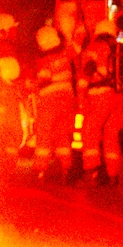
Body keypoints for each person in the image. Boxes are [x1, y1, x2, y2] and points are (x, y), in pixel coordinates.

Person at [78, 20, 123, 185]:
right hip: (117, 97)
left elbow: (85, 75)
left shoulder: (92, 49)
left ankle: (91, 173)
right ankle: (113, 175)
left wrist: (82, 97)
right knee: (111, 136)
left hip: (99, 95)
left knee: (90, 132)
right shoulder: (117, 49)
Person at [32, 25, 77, 183]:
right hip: (67, 99)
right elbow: (75, 49)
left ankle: (40, 171)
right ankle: (66, 168)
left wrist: (32, 85)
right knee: (62, 134)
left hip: (49, 100)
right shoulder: (65, 54)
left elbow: (43, 80)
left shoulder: (44, 61)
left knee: (44, 135)